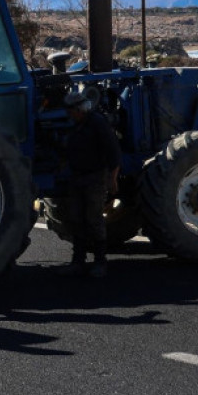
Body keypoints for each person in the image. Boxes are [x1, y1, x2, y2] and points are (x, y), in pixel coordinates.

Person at [58, 90, 121, 278]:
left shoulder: (97, 123)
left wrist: (113, 179)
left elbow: (114, 153)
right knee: (77, 219)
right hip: (77, 177)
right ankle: (78, 261)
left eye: (71, 111)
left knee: (94, 219)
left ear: (80, 109)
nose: (69, 115)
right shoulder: (75, 125)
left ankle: (100, 262)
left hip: (95, 177)